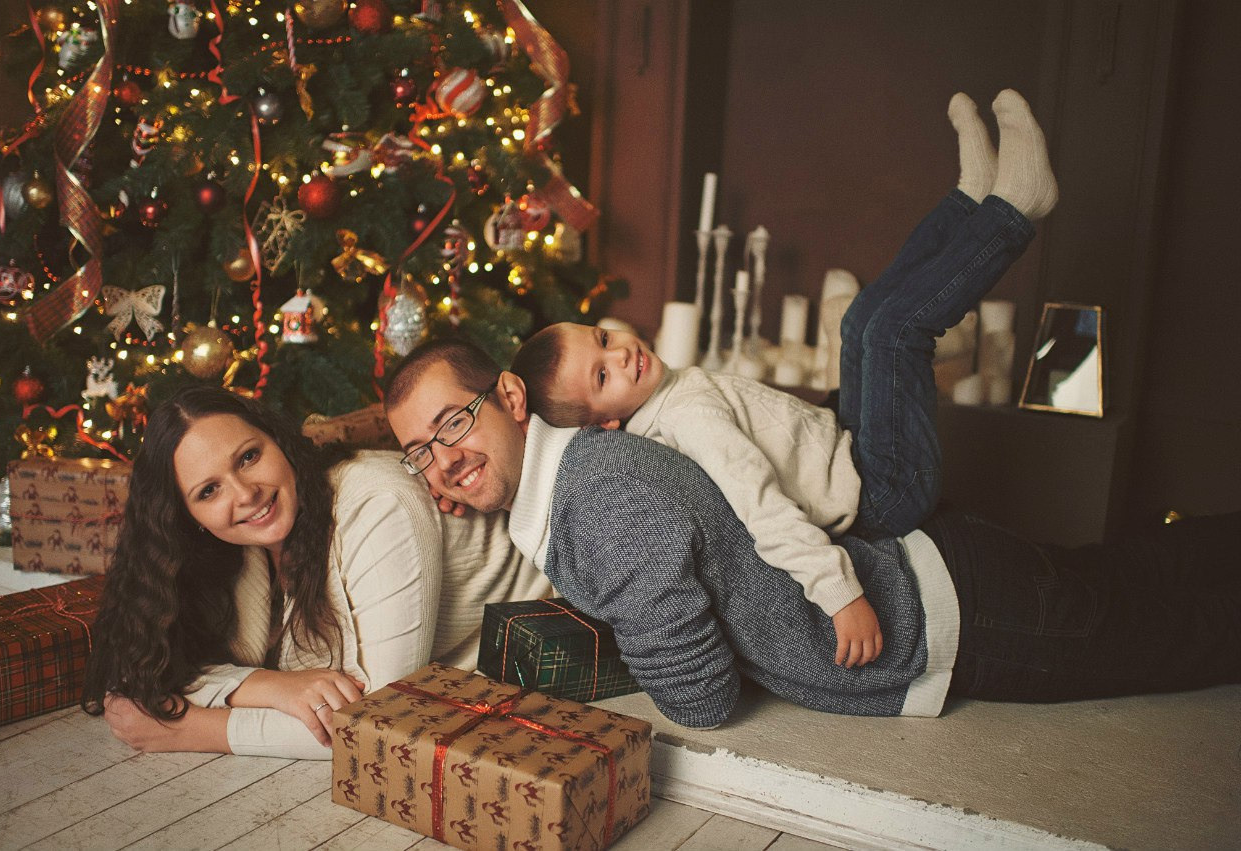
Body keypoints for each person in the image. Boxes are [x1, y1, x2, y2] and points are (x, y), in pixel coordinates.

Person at [382, 114, 1239, 730]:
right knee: (1131, 575)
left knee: (1176, 634)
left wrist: (835, 595)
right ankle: (973, 203)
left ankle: (1002, 205)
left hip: (930, 600)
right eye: (420, 452)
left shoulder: (600, 493)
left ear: (512, 398)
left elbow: (702, 699)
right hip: (922, 556)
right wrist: (448, 477)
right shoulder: (586, 477)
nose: (443, 458)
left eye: (453, 423)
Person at [507, 89, 1058, 670]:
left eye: (603, 338)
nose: (621, 354)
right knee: (892, 332)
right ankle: (1013, 213)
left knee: (860, 321)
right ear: (606, 424)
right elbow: (759, 504)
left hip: (845, 446)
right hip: (883, 488)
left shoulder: (664, 396)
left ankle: (968, 205)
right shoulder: (686, 418)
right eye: (602, 376)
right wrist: (839, 592)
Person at [81, 386, 551, 760]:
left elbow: (381, 722)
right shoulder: (229, 552)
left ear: (278, 442)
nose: (245, 494)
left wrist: (193, 729)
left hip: (544, 653)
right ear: (189, 518)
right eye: (208, 491)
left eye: (248, 457)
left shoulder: (377, 501)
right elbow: (152, 672)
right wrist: (265, 684)